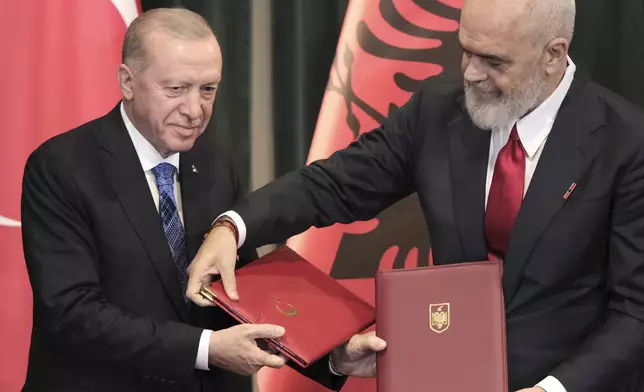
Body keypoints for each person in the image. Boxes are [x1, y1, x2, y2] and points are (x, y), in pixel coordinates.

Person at [186, 0, 644, 391]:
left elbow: (635, 310)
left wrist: (553, 390)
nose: (470, 73)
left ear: (553, 54)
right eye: (465, 51)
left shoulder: (625, 142)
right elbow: (335, 184)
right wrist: (234, 226)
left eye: (493, 61)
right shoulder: (437, 112)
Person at [20, 8, 377, 392]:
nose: (195, 111)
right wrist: (204, 348)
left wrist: (333, 358)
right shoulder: (62, 166)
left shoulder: (214, 162)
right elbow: (71, 314)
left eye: (208, 89)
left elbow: (246, 294)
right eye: (175, 89)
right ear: (127, 81)